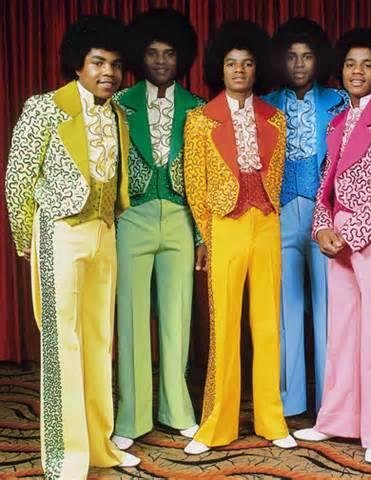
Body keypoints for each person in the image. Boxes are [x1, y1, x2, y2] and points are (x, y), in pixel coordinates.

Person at [5, 15, 140, 479]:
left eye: (115, 64)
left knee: (100, 340)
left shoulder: (119, 115)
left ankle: (99, 446)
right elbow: (18, 177)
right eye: (98, 62)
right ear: (77, 65)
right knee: (62, 342)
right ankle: (66, 460)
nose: (109, 72)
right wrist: (25, 236)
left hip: (104, 231)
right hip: (59, 233)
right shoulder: (45, 108)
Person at [293, 28, 371, 465]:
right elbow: (325, 186)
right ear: (340, 70)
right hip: (338, 235)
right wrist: (322, 228)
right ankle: (336, 419)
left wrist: (353, 232)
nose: (357, 71)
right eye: (350, 64)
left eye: (366, 64)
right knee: (342, 330)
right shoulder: (338, 121)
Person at [183, 20, 297, 454]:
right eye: (232, 63)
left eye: (247, 63)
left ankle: (272, 420)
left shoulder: (276, 119)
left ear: (257, 68)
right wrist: (207, 234)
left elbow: (276, 175)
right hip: (225, 226)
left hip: (266, 223)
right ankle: (216, 425)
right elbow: (195, 184)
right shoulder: (199, 120)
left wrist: (267, 212)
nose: (239, 70)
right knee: (224, 325)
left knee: (267, 325)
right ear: (220, 67)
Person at [112, 8, 204, 451]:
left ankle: (177, 410)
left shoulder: (198, 108)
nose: (161, 60)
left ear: (181, 56)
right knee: (130, 316)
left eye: (169, 53)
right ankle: (131, 417)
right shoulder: (119, 103)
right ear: (140, 56)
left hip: (182, 218)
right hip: (133, 216)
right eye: (152, 52)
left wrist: (202, 235)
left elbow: (204, 179)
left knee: (177, 316)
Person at [263, 18, 348, 417]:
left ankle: (330, 402)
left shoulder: (338, 102)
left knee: (328, 308)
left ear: (320, 60)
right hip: (280, 214)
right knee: (286, 309)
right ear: (280, 60)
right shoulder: (265, 105)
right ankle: (290, 399)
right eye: (292, 56)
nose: (299, 64)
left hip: (324, 216)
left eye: (308, 56)